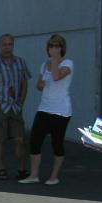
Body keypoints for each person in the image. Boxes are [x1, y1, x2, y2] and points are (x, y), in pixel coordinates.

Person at [19, 34, 73, 185]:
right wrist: (41, 85)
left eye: (56, 46)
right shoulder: (44, 65)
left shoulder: (68, 63)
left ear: (62, 48)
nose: (53, 48)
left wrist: (54, 59)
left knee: (57, 143)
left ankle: (54, 176)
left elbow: (56, 77)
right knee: (35, 141)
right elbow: (39, 85)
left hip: (60, 110)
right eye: (51, 46)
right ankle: (34, 175)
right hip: (44, 108)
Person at [0, 34, 32, 180]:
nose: (7, 47)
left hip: (15, 107)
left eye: (10, 44)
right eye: (4, 44)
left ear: (13, 45)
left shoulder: (20, 63)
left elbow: (24, 83)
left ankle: (21, 169)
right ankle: (1, 168)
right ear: (0, 46)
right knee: (0, 139)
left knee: (20, 139)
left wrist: (21, 101)